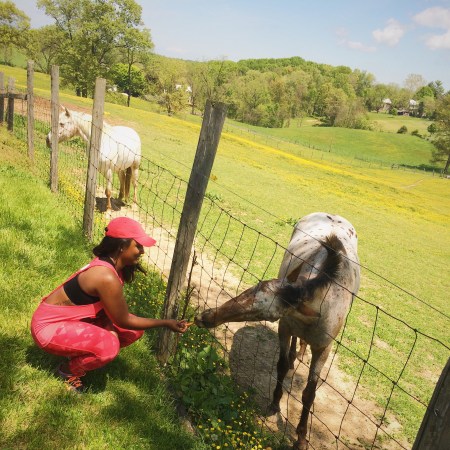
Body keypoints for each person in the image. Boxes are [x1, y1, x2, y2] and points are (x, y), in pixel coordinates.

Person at [31, 216, 190, 393]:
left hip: (70, 320)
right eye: (138, 246)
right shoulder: (105, 276)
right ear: (122, 246)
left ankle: (82, 353)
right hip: (48, 329)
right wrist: (165, 323)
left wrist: (109, 329)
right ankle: (67, 371)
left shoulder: (114, 267)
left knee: (134, 332)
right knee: (109, 347)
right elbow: (123, 320)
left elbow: (114, 315)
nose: (142, 251)